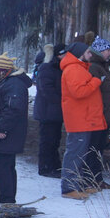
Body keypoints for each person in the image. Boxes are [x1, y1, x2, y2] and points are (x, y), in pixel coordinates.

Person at [0, 52, 33, 205]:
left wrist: (2, 129)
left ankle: (6, 200)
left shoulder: (13, 84)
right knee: (3, 166)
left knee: (3, 166)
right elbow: (1, 101)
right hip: (5, 133)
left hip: (6, 134)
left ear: (2, 70)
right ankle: (4, 198)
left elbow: (13, 109)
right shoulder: (7, 82)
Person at [60, 42, 105, 199]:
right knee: (75, 154)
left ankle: (77, 185)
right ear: (80, 53)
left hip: (83, 118)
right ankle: (69, 188)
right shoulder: (73, 69)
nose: (90, 55)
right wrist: (96, 81)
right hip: (79, 119)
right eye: (87, 52)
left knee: (80, 153)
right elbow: (79, 92)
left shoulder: (78, 68)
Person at [86, 36, 110, 190]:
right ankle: (90, 179)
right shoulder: (94, 67)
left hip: (103, 115)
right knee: (93, 149)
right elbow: (93, 91)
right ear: (99, 51)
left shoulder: (102, 67)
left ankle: (97, 179)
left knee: (99, 149)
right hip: (97, 115)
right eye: (108, 50)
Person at [33, 43, 67, 178]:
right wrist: (61, 101)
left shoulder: (56, 67)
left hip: (54, 111)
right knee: (48, 140)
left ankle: (54, 166)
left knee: (54, 140)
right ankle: (46, 167)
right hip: (47, 111)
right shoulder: (47, 68)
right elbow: (46, 90)